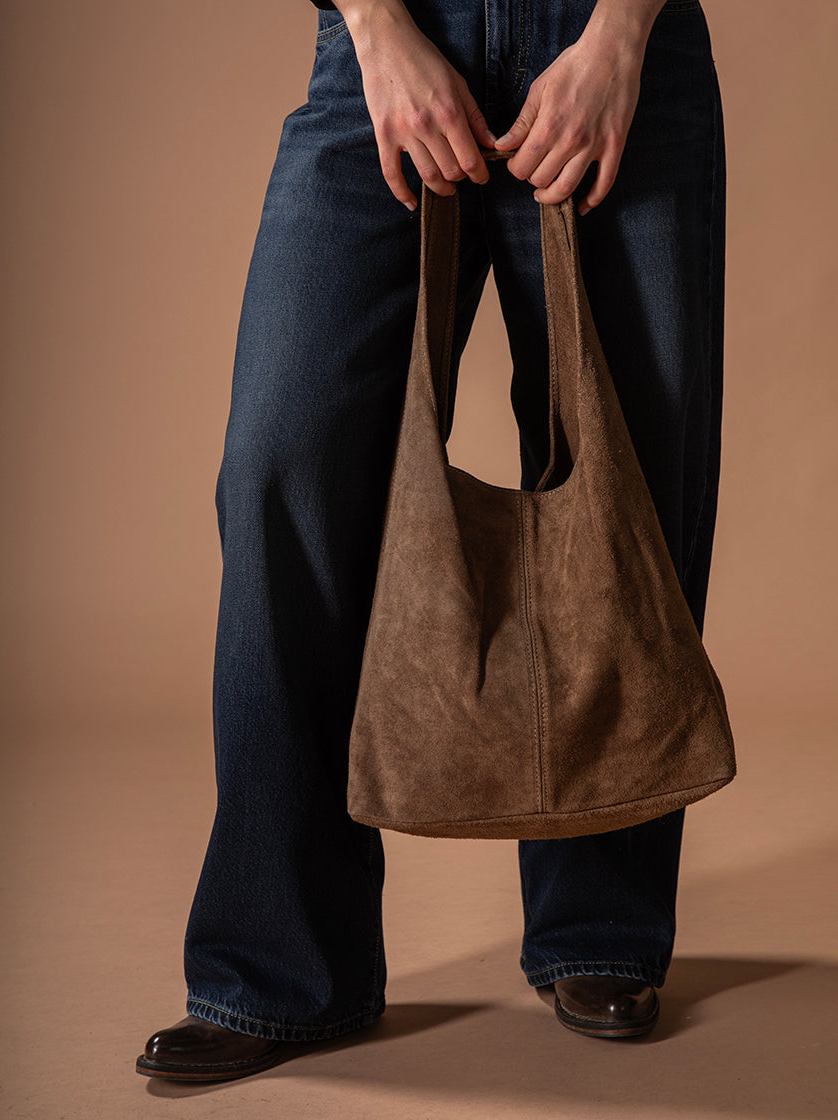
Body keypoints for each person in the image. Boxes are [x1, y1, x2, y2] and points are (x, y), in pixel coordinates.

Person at [136, 0, 726, 1082]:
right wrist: (374, 29)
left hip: (605, 41)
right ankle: (281, 967)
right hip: (393, 47)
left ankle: (601, 927)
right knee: (284, 464)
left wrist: (619, 38)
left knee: (632, 480)